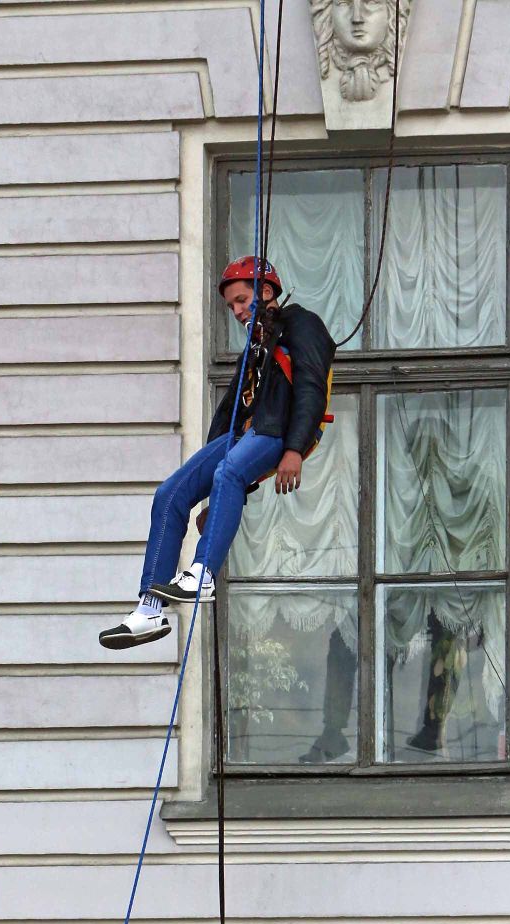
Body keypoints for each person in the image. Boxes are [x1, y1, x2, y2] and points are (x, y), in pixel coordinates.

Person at [99, 256, 337, 649]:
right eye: (231, 306)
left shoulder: (301, 324)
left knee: (229, 472)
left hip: (279, 429)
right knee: (170, 494)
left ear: (266, 292)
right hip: (247, 435)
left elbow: (311, 385)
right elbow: (231, 414)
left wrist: (294, 449)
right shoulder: (257, 344)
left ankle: (203, 573)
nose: (238, 312)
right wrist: (216, 498)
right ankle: (149, 609)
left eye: (242, 301)